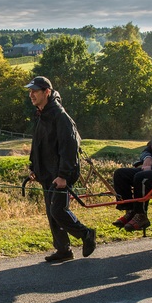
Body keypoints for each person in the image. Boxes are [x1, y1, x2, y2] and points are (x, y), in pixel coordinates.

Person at [26, 76, 96, 262]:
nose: (31, 94)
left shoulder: (60, 116)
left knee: (58, 210)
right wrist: (34, 167)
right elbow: (38, 144)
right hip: (47, 172)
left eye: (35, 91)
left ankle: (87, 234)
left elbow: (70, 148)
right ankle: (63, 250)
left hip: (61, 173)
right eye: (30, 91)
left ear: (46, 92)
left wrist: (63, 175)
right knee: (51, 212)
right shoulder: (41, 114)